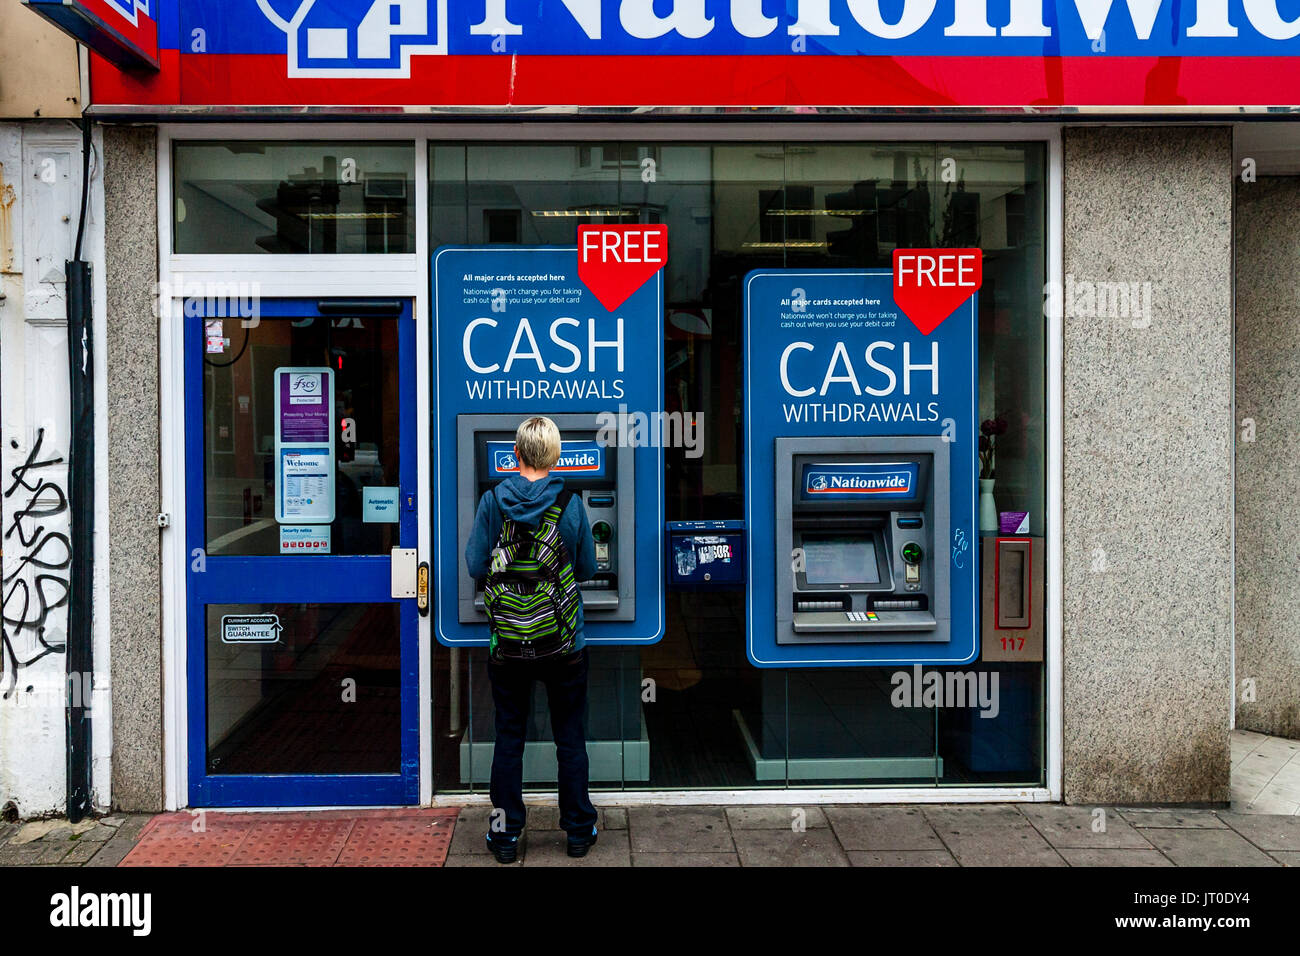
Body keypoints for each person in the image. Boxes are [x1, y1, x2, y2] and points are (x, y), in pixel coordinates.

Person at [464, 415, 599, 864]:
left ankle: (504, 836)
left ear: (516, 454)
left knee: (509, 739)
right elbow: (587, 569)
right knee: (570, 739)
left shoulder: (492, 501)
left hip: (507, 645)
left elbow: (475, 565)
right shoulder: (570, 502)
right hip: (564, 644)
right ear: (556, 456)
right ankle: (578, 832)